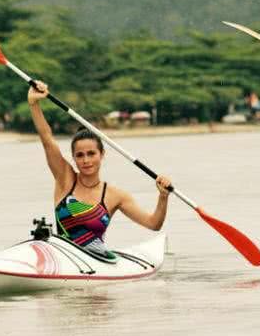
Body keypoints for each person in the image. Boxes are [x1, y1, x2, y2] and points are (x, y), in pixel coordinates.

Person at [28, 81, 172, 255]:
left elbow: (153, 223)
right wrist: (34, 104)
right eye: (80, 155)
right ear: (73, 158)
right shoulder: (65, 179)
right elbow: (47, 139)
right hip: (63, 257)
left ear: (102, 154)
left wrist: (163, 197)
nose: (86, 160)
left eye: (91, 153)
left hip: (97, 260)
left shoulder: (115, 195)